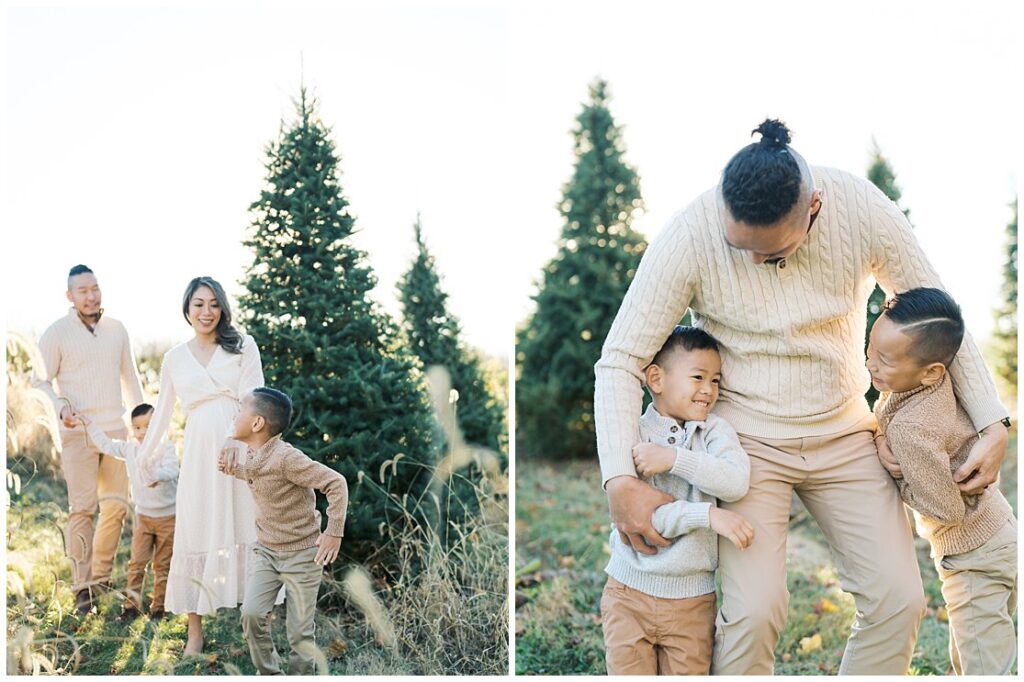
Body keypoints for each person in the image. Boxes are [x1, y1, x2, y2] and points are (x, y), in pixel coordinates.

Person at [594, 119, 1009, 674]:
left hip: (846, 433)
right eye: (740, 246)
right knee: (755, 613)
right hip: (746, 445)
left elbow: (937, 312)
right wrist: (620, 478)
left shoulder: (861, 207)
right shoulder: (691, 232)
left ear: (813, 207)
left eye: (768, 252)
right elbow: (620, 359)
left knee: (899, 600)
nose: (753, 262)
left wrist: (993, 421)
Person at [869, 288, 1017, 675]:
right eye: (870, 350)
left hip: (972, 555)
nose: (870, 365)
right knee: (976, 651)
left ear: (931, 370)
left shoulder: (913, 429)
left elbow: (948, 509)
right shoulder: (932, 382)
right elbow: (885, 411)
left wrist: (899, 480)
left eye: (883, 360)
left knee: (985, 666)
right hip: (999, 532)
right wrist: (881, 436)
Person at [601, 326, 752, 675]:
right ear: (656, 378)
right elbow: (648, 518)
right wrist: (708, 516)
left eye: (715, 380)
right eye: (698, 377)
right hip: (629, 594)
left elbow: (735, 481)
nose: (709, 390)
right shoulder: (634, 436)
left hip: (691, 602)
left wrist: (674, 460)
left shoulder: (713, 431)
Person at [136, 276, 269, 656]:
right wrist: (145, 459)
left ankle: (258, 627)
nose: (206, 311)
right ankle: (195, 632)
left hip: (240, 447)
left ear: (223, 308)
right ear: (187, 309)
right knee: (194, 530)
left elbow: (255, 398)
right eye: (198, 304)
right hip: (198, 453)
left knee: (248, 526)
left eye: (213, 304)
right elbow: (162, 414)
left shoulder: (243, 346)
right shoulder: (174, 358)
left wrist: (233, 438)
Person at [32, 264, 145, 615]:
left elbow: (131, 378)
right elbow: (39, 381)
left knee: (114, 508)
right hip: (76, 432)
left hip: (116, 432)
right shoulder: (56, 333)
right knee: (82, 509)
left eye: (95, 288)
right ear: (70, 296)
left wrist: (145, 425)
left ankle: (100, 579)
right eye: (83, 290)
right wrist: (60, 407)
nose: (91, 295)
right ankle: (82, 589)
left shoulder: (117, 329)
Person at [219, 387, 348, 676]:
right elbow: (262, 476)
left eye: (240, 409)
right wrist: (236, 470)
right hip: (267, 552)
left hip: (303, 554)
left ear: (256, 423)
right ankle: (269, 674)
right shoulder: (253, 452)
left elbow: (336, 483)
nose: (234, 415)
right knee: (251, 614)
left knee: (299, 634)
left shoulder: (287, 458)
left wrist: (333, 531)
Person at [80, 403, 179, 620]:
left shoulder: (166, 448)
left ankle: (158, 608)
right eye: (137, 428)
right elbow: (106, 445)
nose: (142, 433)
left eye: (148, 426)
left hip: (167, 517)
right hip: (143, 516)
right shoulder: (130, 449)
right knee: (136, 563)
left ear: (160, 426)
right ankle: (131, 607)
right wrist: (90, 426)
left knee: (162, 564)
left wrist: (156, 476)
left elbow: (173, 470)